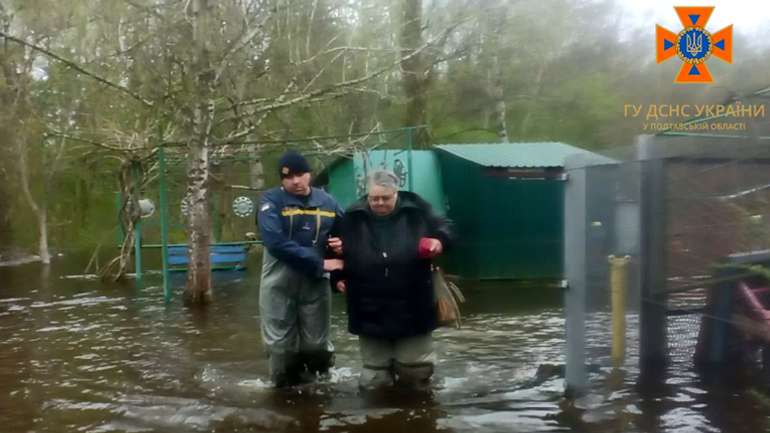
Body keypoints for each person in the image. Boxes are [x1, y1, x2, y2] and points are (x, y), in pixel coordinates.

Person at [334, 170, 453, 390]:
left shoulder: (418, 211)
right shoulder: (351, 217)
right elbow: (334, 252)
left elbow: (447, 228)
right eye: (374, 198)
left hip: (413, 300)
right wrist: (338, 278)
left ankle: (419, 414)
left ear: (396, 193)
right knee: (375, 377)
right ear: (367, 194)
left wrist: (439, 241)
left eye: (385, 198)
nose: (379, 203)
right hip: (367, 304)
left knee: (416, 371)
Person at [257, 149, 344, 387]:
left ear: (309, 174)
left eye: (300, 174)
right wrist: (320, 263)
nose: (295, 181)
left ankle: (321, 386)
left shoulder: (328, 202)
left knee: (317, 345)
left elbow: (347, 232)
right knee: (281, 347)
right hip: (278, 283)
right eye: (288, 177)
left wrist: (341, 246)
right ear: (282, 179)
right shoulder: (271, 201)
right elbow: (275, 243)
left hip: (315, 284)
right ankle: (281, 391)